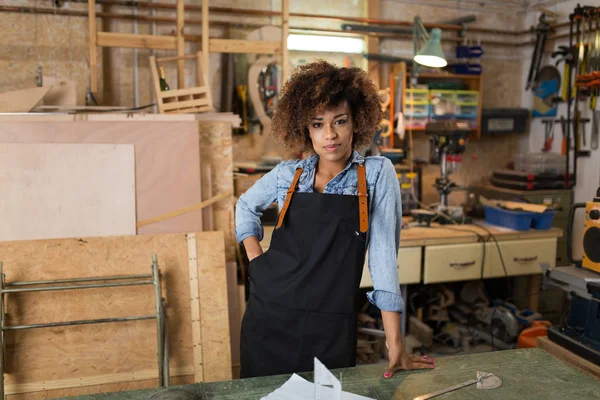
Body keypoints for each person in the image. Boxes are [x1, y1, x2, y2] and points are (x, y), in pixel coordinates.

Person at [235, 60, 435, 379]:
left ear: (356, 121)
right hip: (268, 317)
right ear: (305, 129)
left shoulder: (376, 174)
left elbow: (383, 259)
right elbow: (245, 205)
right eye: (317, 124)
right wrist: (255, 260)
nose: (330, 134)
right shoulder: (288, 174)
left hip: (329, 326)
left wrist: (395, 343)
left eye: (339, 121)